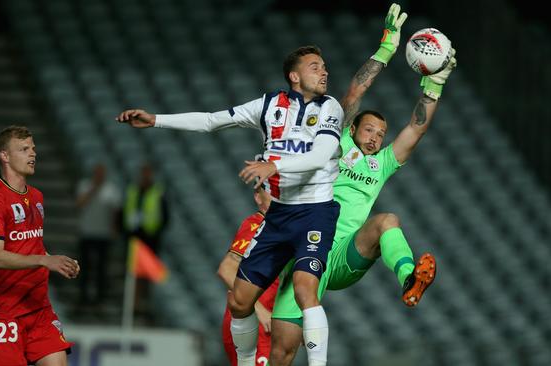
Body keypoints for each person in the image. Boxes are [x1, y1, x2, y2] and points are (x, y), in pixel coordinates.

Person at [116, 43, 344, 366]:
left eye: (324, 66)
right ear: (294, 76)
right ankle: (247, 361)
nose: (324, 71)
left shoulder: (330, 107)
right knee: (240, 302)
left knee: (305, 289)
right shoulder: (268, 106)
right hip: (278, 215)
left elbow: (320, 156)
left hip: (315, 212)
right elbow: (211, 120)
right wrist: (155, 120)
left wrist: (273, 166)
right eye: (315, 66)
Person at [268, 4, 458, 364]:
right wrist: (386, 48)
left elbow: (416, 129)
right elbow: (353, 95)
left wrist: (434, 84)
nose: (375, 137)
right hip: (308, 247)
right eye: (369, 129)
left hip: (343, 256)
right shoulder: (334, 144)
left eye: (380, 134)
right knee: (282, 352)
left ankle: (409, 278)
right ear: (352, 129)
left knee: (387, 220)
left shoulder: (381, 163)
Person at [0, 125, 80, 366]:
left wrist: (57, 260)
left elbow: (30, 246)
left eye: (33, 148)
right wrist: (44, 260)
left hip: (38, 307)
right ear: (5, 156)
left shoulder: (37, 197)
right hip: (4, 312)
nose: (33, 154)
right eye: (23, 149)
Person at [217, 187, 277, 366]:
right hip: (255, 323)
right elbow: (226, 269)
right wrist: (260, 310)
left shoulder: (280, 228)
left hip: (266, 324)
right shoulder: (257, 225)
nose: (278, 194)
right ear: (258, 197)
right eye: (271, 190)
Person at [121, 162, 169, 322]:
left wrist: (155, 231)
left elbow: (165, 217)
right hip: (134, 238)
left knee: (147, 274)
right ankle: (133, 304)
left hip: (150, 239)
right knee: (133, 272)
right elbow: (124, 212)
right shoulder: (133, 191)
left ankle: (144, 304)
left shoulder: (158, 192)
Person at [75, 162, 122, 305]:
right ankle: (83, 296)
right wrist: (93, 188)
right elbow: (80, 203)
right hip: (87, 233)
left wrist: (114, 228)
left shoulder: (111, 190)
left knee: (102, 268)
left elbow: (116, 211)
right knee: (84, 267)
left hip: (104, 235)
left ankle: (100, 298)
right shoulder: (84, 186)